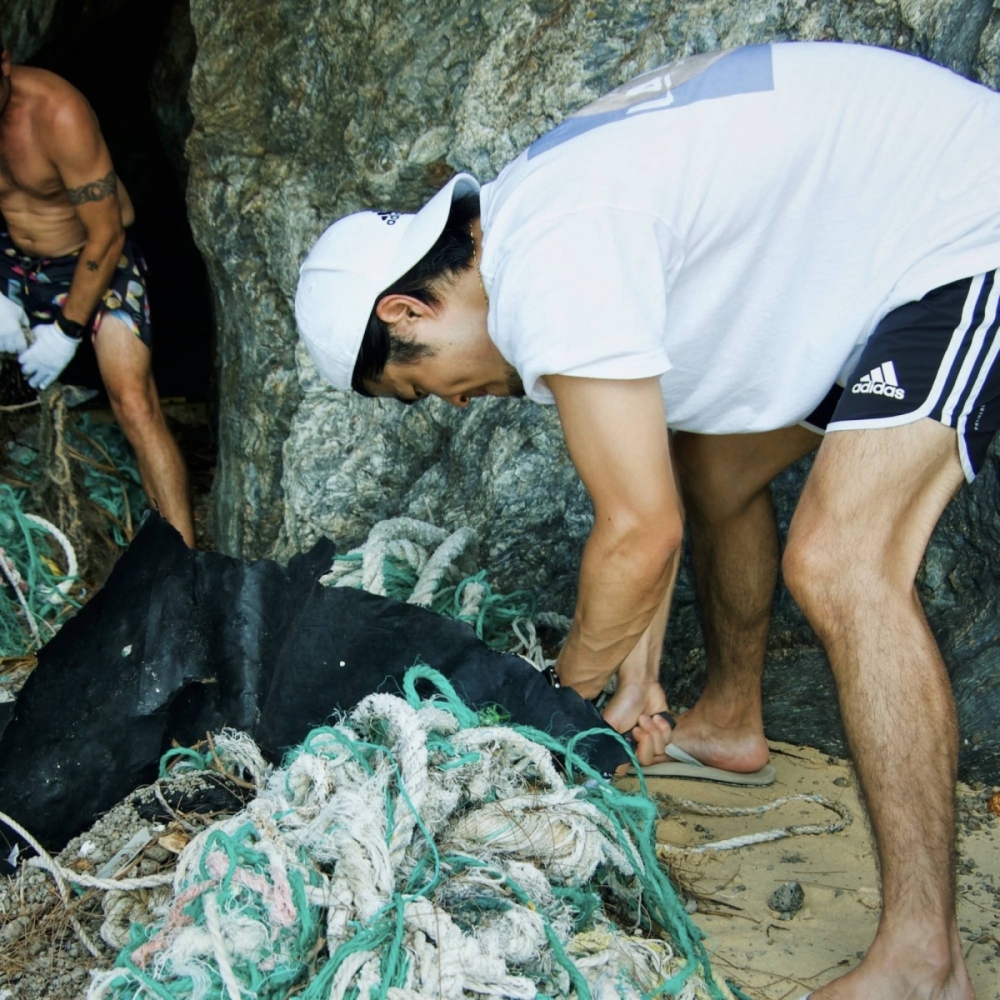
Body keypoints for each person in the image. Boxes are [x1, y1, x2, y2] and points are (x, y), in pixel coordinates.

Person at [295, 42, 1000, 999]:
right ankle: (729, 723)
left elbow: (638, 533)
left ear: (407, 310)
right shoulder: (535, 221)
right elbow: (653, 492)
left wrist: (561, 709)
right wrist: (637, 668)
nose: (453, 403)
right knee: (713, 470)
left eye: (417, 385)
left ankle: (926, 963)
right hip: (877, 253)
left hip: (968, 218)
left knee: (842, 562)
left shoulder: (553, 259)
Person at [0, 40, 194, 546]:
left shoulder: (57, 113)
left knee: (133, 400)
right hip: (9, 256)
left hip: (91, 252)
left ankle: (184, 568)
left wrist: (65, 333)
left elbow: (107, 232)